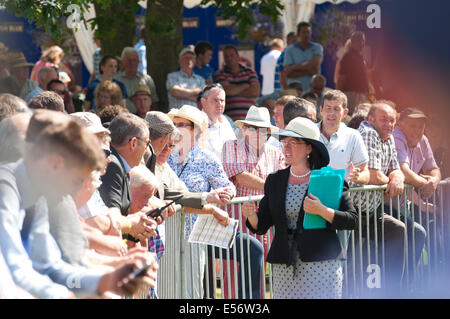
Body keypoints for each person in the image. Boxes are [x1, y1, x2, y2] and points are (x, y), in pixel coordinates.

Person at [0, 111, 157, 298]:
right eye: (76, 182)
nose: (72, 193)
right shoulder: (7, 190)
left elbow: (52, 268)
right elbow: (16, 275)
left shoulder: (40, 193)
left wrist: (106, 280)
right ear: (56, 163)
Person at [242, 116, 358, 298]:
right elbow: (262, 225)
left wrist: (323, 211)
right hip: (283, 267)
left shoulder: (329, 179)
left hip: (321, 265)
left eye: (293, 142)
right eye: (284, 142)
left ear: (309, 148)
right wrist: (251, 215)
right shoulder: (275, 180)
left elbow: (352, 220)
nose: (285, 147)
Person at [166, 105, 236, 298]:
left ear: (194, 129)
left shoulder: (206, 158)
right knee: (167, 287)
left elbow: (228, 186)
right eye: (174, 124)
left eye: (181, 124)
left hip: (194, 233)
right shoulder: (166, 155)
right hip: (166, 230)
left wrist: (224, 194)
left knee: (191, 290)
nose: (175, 129)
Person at [221, 105, 285, 297]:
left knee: (263, 270)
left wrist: (272, 188)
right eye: (252, 127)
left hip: (266, 220)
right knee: (235, 271)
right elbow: (241, 177)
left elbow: (282, 181)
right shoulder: (231, 145)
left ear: (268, 132)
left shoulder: (276, 152)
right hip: (237, 220)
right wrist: (271, 188)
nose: (258, 132)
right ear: (244, 129)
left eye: (263, 129)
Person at [354, 102, 412, 296]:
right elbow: (372, 175)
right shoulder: (369, 132)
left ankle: (394, 289)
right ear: (370, 119)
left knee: (404, 230)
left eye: (392, 120)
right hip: (354, 210)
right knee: (398, 230)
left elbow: (396, 169)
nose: (388, 124)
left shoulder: (388, 137)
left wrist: (396, 178)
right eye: (383, 119)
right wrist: (392, 180)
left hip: (372, 209)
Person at [393, 108, 439, 272]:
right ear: (400, 124)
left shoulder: (423, 139)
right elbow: (403, 171)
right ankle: (403, 286)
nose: (418, 130)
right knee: (416, 235)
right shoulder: (396, 136)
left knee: (426, 233)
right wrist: (424, 184)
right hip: (386, 205)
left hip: (406, 203)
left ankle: (412, 283)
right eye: (413, 125)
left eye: (421, 126)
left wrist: (433, 181)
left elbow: (434, 168)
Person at [317, 90, 370, 184]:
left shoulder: (353, 136)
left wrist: (358, 177)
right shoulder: (309, 131)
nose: (331, 113)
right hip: (310, 195)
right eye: (328, 108)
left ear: (345, 112)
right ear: (321, 110)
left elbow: (366, 174)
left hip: (341, 196)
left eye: (336, 109)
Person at [214, 45, 260, 121]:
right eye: (226, 56)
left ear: (238, 56)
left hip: (250, 119)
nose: (229, 58)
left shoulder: (250, 72)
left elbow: (255, 92)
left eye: (232, 55)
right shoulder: (220, 74)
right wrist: (245, 85)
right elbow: (227, 91)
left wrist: (233, 90)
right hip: (229, 120)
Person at [335, 32, 372, 115]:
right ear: (352, 42)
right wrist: (337, 97)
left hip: (361, 96)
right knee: (352, 118)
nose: (362, 43)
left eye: (363, 41)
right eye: (359, 40)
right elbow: (341, 78)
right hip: (351, 96)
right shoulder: (348, 56)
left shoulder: (359, 57)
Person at [283, 22, 323, 97]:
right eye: (304, 32)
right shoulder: (289, 50)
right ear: (298, 34)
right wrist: (308, 70)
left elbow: (315, 64)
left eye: (308, 32)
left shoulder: (317, 48)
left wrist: (293, 68)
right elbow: (288, 73)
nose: (306, 35)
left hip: (312, 91)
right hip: (294, 91)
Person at [114, 47, 159, 113]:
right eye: (129, 60)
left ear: (138, 62)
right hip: (122, 119)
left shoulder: (147, 79)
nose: (132, 63)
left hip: (144, 119)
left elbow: (155, 102)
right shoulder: (115, 81)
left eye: (134, 60)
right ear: (123, 62)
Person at [200, 83, 236, 160]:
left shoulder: (226, 121)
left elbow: (234, 150)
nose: (220, 104)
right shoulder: (195, 122)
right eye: (215, 100)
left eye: (222, 100)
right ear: (203, 102)